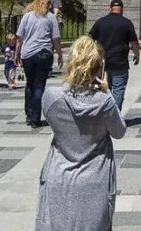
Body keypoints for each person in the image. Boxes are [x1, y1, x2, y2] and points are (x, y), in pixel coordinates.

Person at [34, 37, 126, 231]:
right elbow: (119, 131)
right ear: (98, 69)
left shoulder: (52, 97)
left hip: (58, 174)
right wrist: (107, 92)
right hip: (95, 178)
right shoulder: (104, 102)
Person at [15, 0, 64, 128]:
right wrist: (60, 54)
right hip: (44, 53)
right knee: (39, 85)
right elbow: (55, 39)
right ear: (47, 4)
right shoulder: (50, 17)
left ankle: (29, 114)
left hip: (28, 54)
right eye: (49, 4)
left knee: (29, 83)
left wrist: (17, 53)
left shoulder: (27, 16)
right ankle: (35, 118)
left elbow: (20, 37)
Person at [88, 0, 140, 113]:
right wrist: (137, 55)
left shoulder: (100, 22)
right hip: (120, 62)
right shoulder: (127, 23)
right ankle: (115, 115)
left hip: (102, 63)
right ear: (122, 9)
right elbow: (134, 42)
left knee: (104, 89)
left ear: (110, 8)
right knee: (118, 90)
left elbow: (90, 39)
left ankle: (105, 114)